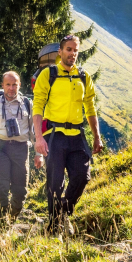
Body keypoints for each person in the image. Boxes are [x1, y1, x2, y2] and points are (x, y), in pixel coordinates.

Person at [33, 35, 103, 235]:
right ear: (61, 52)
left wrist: (97, 136)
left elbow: (90, 108)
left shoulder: (84, 76)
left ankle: (62, 213)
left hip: (77, 135)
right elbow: (37, 106)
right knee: (55, 182)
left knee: (82, 177)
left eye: (76, 50)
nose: (73, 53)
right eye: (69, 50)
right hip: (54, 135)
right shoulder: (49, 75)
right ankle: (54, 229)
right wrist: (38, 137)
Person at [0, 71, 43, 221]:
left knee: (20, 192)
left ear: (19, 85)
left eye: (14, 85)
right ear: (3, 85)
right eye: (8, 84)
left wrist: (39, 155)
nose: (11, 88)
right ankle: (1, 221)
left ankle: (12, 218)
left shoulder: (28, 104)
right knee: (1, 188)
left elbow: (35, 132)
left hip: (21, 150)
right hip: (0, 150)